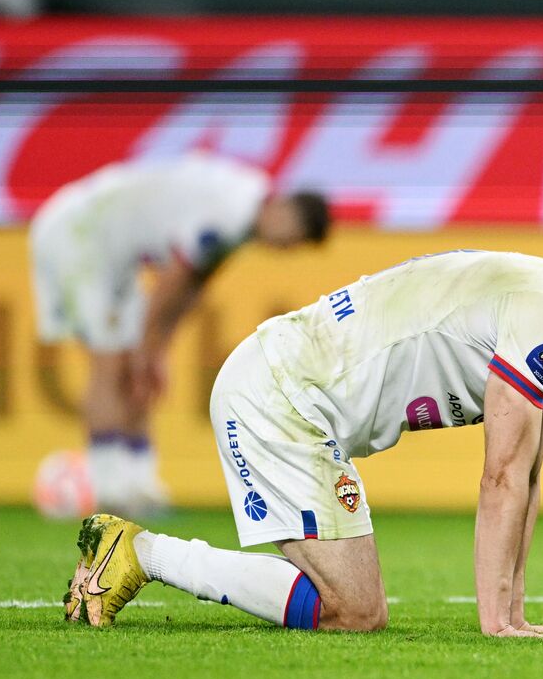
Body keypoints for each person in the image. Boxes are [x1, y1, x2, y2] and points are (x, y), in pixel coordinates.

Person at [63, 249, 543, 636]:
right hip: (282, 396)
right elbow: (501, 477)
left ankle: (138, 552)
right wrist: (495, 621)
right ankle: (144, 554)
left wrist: (515, 610)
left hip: (288, 389)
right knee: (354, 611)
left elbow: (526, 478)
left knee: (351, 607)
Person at [30, 152, 331, 514]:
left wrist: (155, 350)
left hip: (110, 254)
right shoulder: (230, 213)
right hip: (78, 236)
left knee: (132, 364)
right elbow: (171, 282)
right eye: (291, 239)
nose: (284, 250)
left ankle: (139, 484)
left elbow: (191, 285)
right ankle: (106, 485)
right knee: (111, 362)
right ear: (283, 211)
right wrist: (148, 347)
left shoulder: (244, 213)